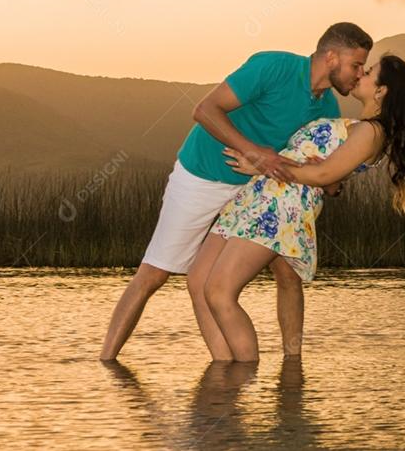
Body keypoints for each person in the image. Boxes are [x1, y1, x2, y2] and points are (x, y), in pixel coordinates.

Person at [99, 23, 373, 360]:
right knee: (154, 274)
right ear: (332, 57)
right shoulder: (273, 67)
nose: (359, 74)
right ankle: (106, 362)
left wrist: (331, 184)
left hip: (256, 189)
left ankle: (287, 365)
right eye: (356, 65)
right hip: (202, 174)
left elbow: (324, 174)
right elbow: (204, 110)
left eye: (363, 68)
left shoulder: (327, 109)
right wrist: (255, 152)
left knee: (287, 270)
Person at [195, 54, 405, 362]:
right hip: (262, 197)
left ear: (382, 90)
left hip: (280, 205)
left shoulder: (372, 132)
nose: (360, 73)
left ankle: (241, 378)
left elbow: (323, 175)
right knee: (215, 281)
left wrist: (262, 168)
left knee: (218, 291)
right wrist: (321, 179)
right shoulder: (359, 127)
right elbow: (327, 177)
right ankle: (284, 372)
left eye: (369, 72)